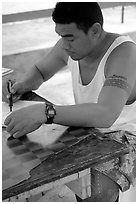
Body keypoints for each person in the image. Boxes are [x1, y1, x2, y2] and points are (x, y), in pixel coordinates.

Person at [3, 2, 136, 202]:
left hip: (123, 138)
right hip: (86, 129)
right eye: (60, 36)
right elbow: (40, 72)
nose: (64, 45)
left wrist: (46, 113)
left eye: (70, 37)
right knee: (24, 163)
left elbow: (106, 113)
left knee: (95, 192)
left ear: (95, 31)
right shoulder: (70, 45)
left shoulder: (124, 53)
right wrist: (21, 86)